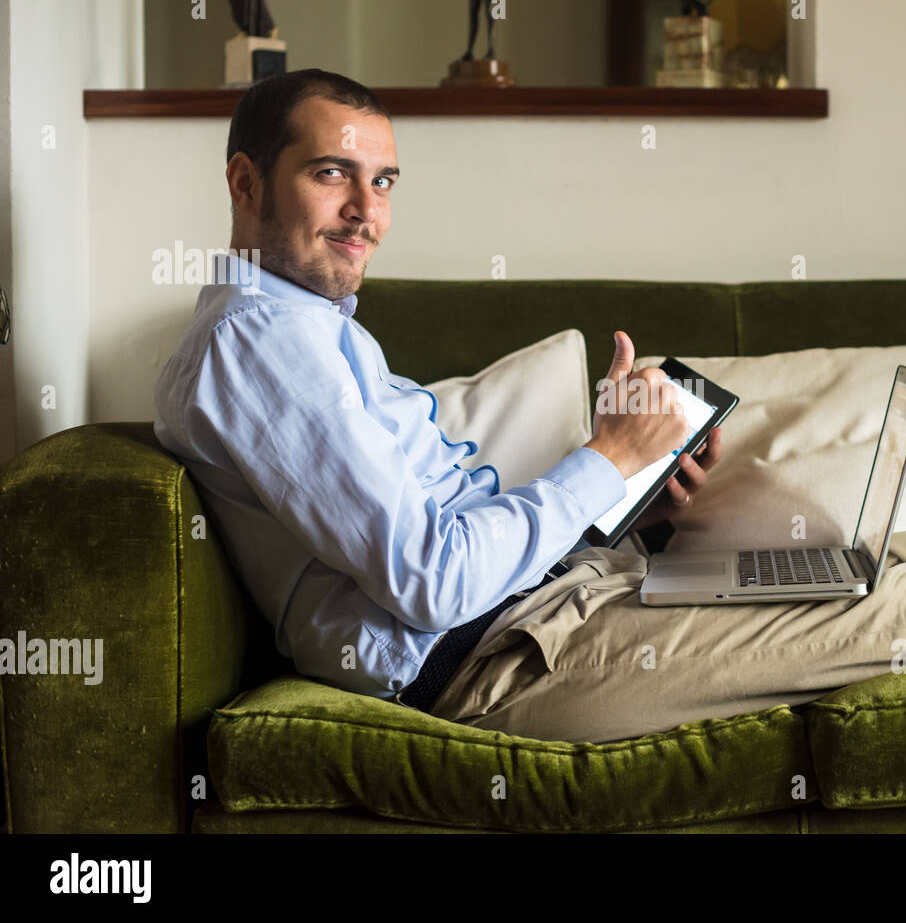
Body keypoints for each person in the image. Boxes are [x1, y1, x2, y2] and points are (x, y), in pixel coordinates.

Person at [153, 68, 721, 713]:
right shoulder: (259, 339)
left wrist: (618, 504)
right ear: (246, 183)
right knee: (859, 608)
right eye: (331, 174)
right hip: (480, 653)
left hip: (524, 611)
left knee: (818, 578)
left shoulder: (306, 325)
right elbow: (435, 581)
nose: (366, 212)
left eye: (383, 182)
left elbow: (442, 545)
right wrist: (610, 457)